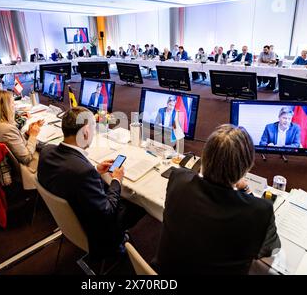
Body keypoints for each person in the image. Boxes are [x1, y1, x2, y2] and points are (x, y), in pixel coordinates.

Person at [155, 124, 281, 275]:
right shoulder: (260, 210)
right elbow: (271, 249)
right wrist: (247, 191)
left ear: (205, 157)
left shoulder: (178, 178)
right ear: (247, 167)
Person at [37, 107, 146, 259]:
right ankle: (118, 241)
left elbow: (71, 174)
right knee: (139, 201)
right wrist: (116, 180)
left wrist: (95, 169)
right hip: (95, 231)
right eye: (94, 128)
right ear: (86, 132)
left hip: (70, 219)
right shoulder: (83, 171)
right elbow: (107, 212)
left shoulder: (47, 151)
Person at [0, 90, 42, 183]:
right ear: (4, 108)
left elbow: (13, 142)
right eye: (12, 104)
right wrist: (33, 136)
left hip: (3, 165)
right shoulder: (6, 129)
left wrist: (27, 134)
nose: (14, 107)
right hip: (22, 168)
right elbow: (27, 158)